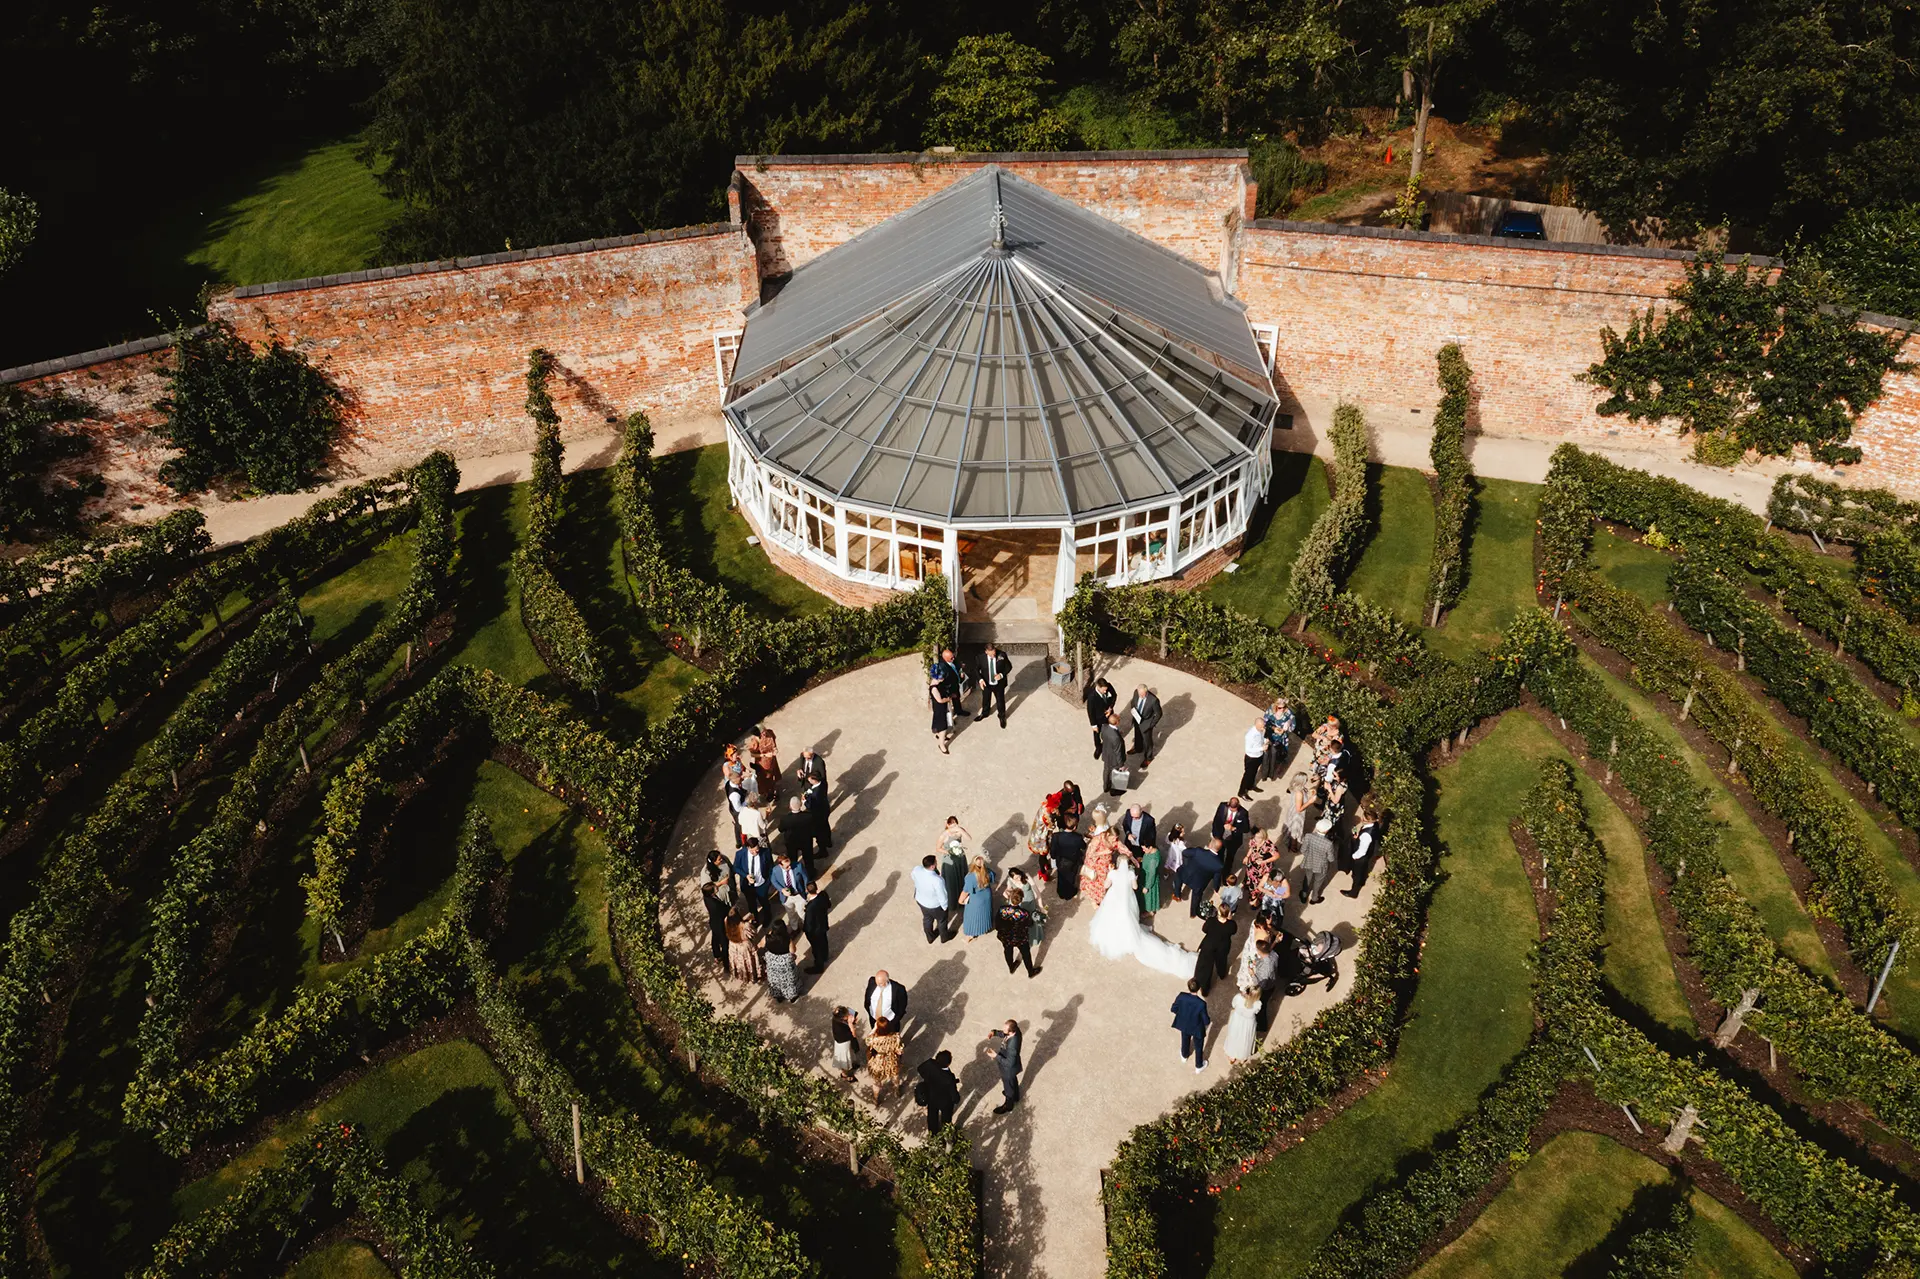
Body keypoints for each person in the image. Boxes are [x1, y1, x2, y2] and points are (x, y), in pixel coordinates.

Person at [1087, 854, 1195, 976]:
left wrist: (1110, 873)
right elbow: (1135, 887)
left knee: (1111, 915)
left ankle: (1115, 933)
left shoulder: (1112, 873)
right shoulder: (1130, 874)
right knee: (1127, 917)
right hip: (1126, 899)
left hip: (1114, 897)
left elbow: (1106, 885)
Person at [996, 882, 1040, 977]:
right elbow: (1030, 924)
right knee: (1026, 954)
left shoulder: (1002, 909)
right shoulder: (1024, 913)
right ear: (1021, 901)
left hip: (1006, 937)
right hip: (1020, 938)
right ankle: (1030, 972)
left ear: (1010, 898)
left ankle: (1011, 967)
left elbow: (997, 924)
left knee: (1008, 952)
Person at [1193, 901, 1237, 996]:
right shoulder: (1231, 924)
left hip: (1209, 946)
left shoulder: (1211, 921)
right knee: (1221, 961)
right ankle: (1221, 974)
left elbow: (1204, 929)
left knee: (1205, 967)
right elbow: (1234, 932)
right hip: (1222, 947)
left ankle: (1204, 989)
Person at [1081, 812, 1122, 906]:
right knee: (1094, 883)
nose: (1114, 840)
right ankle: (1094, 901)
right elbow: (1091, 854)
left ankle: (1097, 899)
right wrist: (1104, 852)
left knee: (1101, 884)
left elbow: (1119, 846)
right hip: (1095, 865)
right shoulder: (1097, 839)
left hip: (1103, 865)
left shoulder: (1105, 833)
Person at [1171, 980, 1211, 1072]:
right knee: (1198, 1046)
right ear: (1199, 989)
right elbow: (1206, 1020)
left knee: (1185, 1039)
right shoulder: (1201, 1004)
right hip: (1197, 1028)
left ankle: (1184, 1055)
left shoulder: (1181, 996)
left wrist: (1182, 1015)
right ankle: (1198, 1065)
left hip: (1184, 1024)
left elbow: (1173, 1009)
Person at [916, 1050, 961, 1133]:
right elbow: (953, 1094)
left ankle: (933, 1133)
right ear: (948, 1063)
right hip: (945, 1102)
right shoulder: (949, 1077)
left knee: (932, 1117)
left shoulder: (930, 1065)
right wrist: (956, 1099)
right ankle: (945, 1134)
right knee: (946, 1119)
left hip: (931, 1097)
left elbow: (920, 1069)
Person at [984, 1020, 1023, 1113]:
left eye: (1004, 1029)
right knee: (1013, 1080)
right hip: (1013, 1068)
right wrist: (994, 1032)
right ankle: (1016, 1096)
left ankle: (1008, 1105)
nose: (1002, 1029)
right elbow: (1004, 1034)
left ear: (1010, 1031)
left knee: (1008, 1086)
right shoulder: (1015, 1031)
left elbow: (1009, 1063)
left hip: (1008, 1069)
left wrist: (995, 1056)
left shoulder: (1012, 1046)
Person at [913, 855, 952, 944]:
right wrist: (945, 906)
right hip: (935, 905)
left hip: (921, 901)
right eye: (936, 862)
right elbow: (942, 895)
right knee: (942, 921)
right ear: (932, 866)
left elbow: (913, 877)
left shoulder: (917, 870)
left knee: (927, 919)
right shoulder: (937, 880)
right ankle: (944, 937)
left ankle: (930, 937)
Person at [1179, 839, 1225, 917]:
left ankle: (1178, 894)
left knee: (1179, 878)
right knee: (1196, 898)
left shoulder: (1199, 851)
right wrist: (1215, 888)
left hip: (1188, 875)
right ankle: (1193, 913)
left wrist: (1186, 864)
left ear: (1210, 845)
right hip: (1200, 883)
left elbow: (1185, 853)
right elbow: (1216, 878)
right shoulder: (1219, 865)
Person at [733, 837, 773, 923]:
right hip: (748, 886)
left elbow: (771, 867)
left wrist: (768, 882)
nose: (755, 853)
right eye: (752, 851)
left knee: (764, 902)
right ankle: (755, 919)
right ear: (748, 848)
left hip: (762, 884)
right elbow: (735, 867)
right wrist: (746, 876)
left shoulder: (766, 852)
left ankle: (767, 917)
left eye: (757, 850)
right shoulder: (740, 854)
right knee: (751, 904)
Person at [1299, 816, 1338, 905]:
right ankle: (1314, 898)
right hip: (1321, 866)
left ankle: (1304, 895)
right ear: (1326, 830)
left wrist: (1310, 856)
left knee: (1307, 878)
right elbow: (1331, 859)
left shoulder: (1308, 836)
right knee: (1318, 882)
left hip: (1309, 861)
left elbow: (1303, 850)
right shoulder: (1328, 843)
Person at [1342, 808, 1381, 898]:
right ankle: (1362, 880)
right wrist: (1358, 836)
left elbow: (1362, 851)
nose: (1362, 819)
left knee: (1357, 874)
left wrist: (1354, 856)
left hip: (1361, 857)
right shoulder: (1374, 825)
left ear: (1367, 820)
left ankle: (1353, 893)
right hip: (1368, 853)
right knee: (1363, 870)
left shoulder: (1366, 835)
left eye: (1363, 818)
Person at [961, 855, 998, 943]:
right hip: (987, 895)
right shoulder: (988, 872)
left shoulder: (970, 877)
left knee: (971, 917)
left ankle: (970, 935)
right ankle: (985, 928)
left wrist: (960, 900)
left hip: (976, 899)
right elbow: (993, 878)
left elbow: (966, 891)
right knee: (985, 913)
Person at [1048, 816, 1087, 901]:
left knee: (1061, 876)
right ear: (1075, 827)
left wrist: (1054, 857)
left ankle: (1061, 892)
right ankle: (1069, 893)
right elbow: (1083, 846)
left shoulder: (1056, 836)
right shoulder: (1078, 837)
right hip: (1072, 862)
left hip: (1060, 861)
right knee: (1070, 878)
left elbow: (1053, 850)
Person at [938, 837, 970, 938]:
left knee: (960, 877)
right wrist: (948, 851)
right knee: (951, 883)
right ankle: (953, 902)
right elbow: (938, 847)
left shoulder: (959, 832)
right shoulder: (944, 835)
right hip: (950, 859)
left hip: (959, 858)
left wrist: (958, 829)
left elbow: (968, 837)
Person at [867, 1017, 904, 1103]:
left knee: (877, 1081)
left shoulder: (874, 1039)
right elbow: (900, 1051)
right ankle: (896, 1091)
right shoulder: (896, 1037)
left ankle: (875, 1098)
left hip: (877, 1062)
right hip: (891, 1060)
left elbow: (867, 1041)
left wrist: (874, 1028)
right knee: (895, 1076)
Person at [770, 850, 809, 931]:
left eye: (790, 865)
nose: (790, 867)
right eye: (787, 866)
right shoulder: (775, 870)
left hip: (799, 894)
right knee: (791, 914)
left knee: (802, 912)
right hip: (787, 897)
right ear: (780, 866)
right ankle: (795, 928)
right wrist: (781, 890)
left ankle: (806, 925)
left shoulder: (798, 866)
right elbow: (773, 880)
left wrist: (806, 888)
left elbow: (805, 877)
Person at [1223, 986, 1262, 1065]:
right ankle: (1243, 1057)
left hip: (1237, 1019)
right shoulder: (1258, 1004)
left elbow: (1233, 1004)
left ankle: (1232, 1056)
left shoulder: (1238, 998)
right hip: (1249, 1023)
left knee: (1234, 1036)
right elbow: (1257, 1012)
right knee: (1245, 1039)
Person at [977, 643, 1013, 727]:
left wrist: (1001, 675)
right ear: (986, 652)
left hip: (999, 684)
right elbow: (976, 669)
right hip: (986, 683)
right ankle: (985, 713)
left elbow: (1009, 667)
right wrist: (980, 680)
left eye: (994, 653)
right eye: (991, 654)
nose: (994, 655)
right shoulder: (980, 657)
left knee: (1000, 701)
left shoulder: (1002, 655)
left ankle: (1002, 716)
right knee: (986, 699)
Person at [778, 796, 817, 875]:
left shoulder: (785, 819)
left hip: (791, 842)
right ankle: (811, 873)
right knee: (808, 857)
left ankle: (795, 874)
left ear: (790, 806)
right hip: (805, 841)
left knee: (792, 859)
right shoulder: (808, 816)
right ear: (800, 805)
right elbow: (813, 828)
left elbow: (780, 829)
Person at [1212, 795, 1252, 870]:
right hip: (1221, 836)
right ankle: (1218, 867)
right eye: (1231, 809)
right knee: (1219, 853)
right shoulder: (1222, 806)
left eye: (1235, 810)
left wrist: (1234, 828)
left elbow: (1246, 829)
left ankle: (1226, 872)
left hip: (1233, 840)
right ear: (1228, 804)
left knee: (1230, 857)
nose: (1232, 811)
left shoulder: (1243, 813)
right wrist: (1216, 835)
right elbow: (1216, 821)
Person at [764, 919, 800, 1002]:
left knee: (775, 979)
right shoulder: (787, 939)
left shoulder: (768, 938)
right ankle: (792, 996)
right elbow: (793, 950)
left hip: (773, 962)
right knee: (789, 980)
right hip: (785, 963)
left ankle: (778, 996)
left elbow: (761, 945)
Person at [1261, 696, 1295, 782]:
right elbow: (1264, 722)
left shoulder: (1289, 713)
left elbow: (1293, 726)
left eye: (1284, 707)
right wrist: (1273, 728)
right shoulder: (1270, 710)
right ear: (1276, 706)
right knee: (1266, 755)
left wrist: (1286, 727)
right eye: (1280, 708)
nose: (1282, 709)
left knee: (1276, 754)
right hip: (1270, 735)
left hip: (1281, 737)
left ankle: (1272, 774)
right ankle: (1264, 775)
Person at [865, 970, 909, 1034]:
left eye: (880, 984)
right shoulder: (872, 981)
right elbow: (867, 998)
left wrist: (894, 1022)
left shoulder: (899, 989)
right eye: (876, 982)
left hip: (890, 1022)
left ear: (886, 981)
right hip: (874, 1019)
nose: (877, 985)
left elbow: (902, 1007)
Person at [701, 880, 731, 974]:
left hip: (714, 923)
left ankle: (717, 954)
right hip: (720, 924)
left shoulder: (707, 897)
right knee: (724, 943)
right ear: (711, 893)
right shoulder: (715, 905)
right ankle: (726, 965)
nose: (717, 887)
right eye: (715, 888)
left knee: (715, 939)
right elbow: (724, 911)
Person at [802, 880, 832, 972]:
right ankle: (825, 956)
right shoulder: (823, 895)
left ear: (807, 891)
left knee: (816, 949)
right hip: (823, 924)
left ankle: (819, 966)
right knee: (824, 941)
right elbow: (829, 905)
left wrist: (807, 931)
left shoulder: (810, 907)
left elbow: (809, 924)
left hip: (815, 931)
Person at [1128, 684, 1163, 765]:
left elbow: (1159, 714)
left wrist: (1151, 724)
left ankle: (1148, 757)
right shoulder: (1136, 693)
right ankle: (1138, 748)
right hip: (1137, 719)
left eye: (1144, 694)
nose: (1142, 696)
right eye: (1140, 694)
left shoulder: (1153, 700)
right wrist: (1133, 710)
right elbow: (1133, 702)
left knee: (1147, 742)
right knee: (1137, 734)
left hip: (1146, 723)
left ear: (1146, 691)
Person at [726, 906, 761, 983]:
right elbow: (753, 933)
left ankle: (742, 975)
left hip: (733, 945)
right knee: (749, 962)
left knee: (740, 962)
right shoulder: (745, 926)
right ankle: (753, 977)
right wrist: (751, 922)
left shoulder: (726, 923)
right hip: (745, 947)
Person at [1083, 677, 1117, 757]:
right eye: (1104, 690)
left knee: (1110, 730)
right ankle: (1098, 748)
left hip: (1109, 715)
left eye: (1106, 690)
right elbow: (1090, 712)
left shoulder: (1108, 686)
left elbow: (1114, 696)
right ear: (1098, 687)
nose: (1105, 691)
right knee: (1097, 734)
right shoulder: (1091, 696)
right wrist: (1093, 725)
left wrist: (1110, 707)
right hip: (1098, 719)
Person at [747, 725, 781, 803]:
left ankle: (775, 790)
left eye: (765, 731)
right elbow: (752, 755)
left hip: (772, 760)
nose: (765, 733)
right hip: (763, 764)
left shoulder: (770, 733)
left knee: (774, 775)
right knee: (766, 780)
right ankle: (769, 793)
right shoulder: (754, 742)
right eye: (762, 733)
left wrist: (775, 749)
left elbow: (774, 744)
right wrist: (764, 755)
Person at [1098, 713, 1129, 796]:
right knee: (1117, 774)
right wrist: (1121, 765)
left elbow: (1102, 737)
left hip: (1106, 754)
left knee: (1106, 771)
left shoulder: (1104, 727)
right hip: (1114, 759)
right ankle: (1114, 791)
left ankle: (1106, 787)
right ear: (1117, 723)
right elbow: (1118, 752)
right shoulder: (1116, 738)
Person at [804, 771, 833, 854]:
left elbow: (811, 806)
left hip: (818, 814)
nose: (809, 781)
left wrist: (804, 801)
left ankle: (822, 850)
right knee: (826, 826)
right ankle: (828, 842)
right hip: (825, 809)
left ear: (815, 780)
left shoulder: (815, 794)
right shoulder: (823, 783)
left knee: (819, 832)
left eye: (810, 780)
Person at [830, 1005, 861, 1082]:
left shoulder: (836, 1019)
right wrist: (850, 1023)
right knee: (844, 1061)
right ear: (842, 1018)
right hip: (843, 1045)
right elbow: (853, 1034)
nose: (849, 1015)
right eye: (847, 1015)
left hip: (846, 1042)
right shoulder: (840, 1028)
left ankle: (852, 1065)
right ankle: (845, 1075)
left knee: (850, 1055)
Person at [929, 672, 956, 754]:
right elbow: (940, 700)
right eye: (941, 678)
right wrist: (949, 698)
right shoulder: (934, 689)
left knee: (938, 721)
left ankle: (939, 734)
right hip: (939, 708)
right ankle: (942, 745)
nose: (943, 679)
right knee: (943, 726)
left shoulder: (934, 684)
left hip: (938, 708)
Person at [1239, 719, 1266, 798]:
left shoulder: (1260, 730)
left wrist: (1264, 741)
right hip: (1251, 758)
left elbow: (1260, 740)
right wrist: (1261, 748)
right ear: (1257, 726)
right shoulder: (1250, 735)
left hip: (1258, 756)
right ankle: (1242, 792)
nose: (1263, 728)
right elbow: (1248, 749)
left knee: (1254, 773)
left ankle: (1250, 786)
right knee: (1247, 775)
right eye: (1262, 727)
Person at [1139, 835, 1165, 915]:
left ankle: (1150, 911)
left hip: (1149, 880)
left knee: (1149, 896)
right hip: (1146, 875)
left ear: (1150, 847)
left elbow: (1151, 875)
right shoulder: (1152, 851)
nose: (1143, 850)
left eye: (1144, 848)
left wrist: (1147, 887)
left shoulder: (1153, 860)